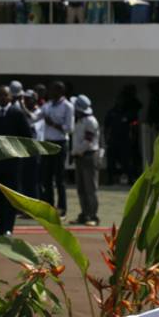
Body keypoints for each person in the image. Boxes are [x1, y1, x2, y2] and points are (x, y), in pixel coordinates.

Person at [0, 85, 34, 237]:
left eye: (5, 95)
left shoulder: (17, 114)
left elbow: (27, 136)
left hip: (12, 162)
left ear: (10, 97)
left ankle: (8, 227)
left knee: (10, 196)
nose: (2, 98)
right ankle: (0, 226)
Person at [40, 80, 75, 216]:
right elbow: (36, 116)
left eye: (55, 90)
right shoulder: (48, 105)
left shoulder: (68, 106)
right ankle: (49, 205)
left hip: (60, 143)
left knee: (59, 178)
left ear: (61, 92)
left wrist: (53, 124)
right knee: (46, 177)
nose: (52, 92)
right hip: (47, 143)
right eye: (51, 89)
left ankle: (62, 208)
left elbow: (69, 129)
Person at [70, 95, 101, 227]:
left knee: (90, 189)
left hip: (88, 156)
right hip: (80, 156)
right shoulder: (79, 120)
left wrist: (76, 151)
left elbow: (88, 141)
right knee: (81, 188)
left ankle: (93, 215)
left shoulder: (90, 121)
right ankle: (84, 214)